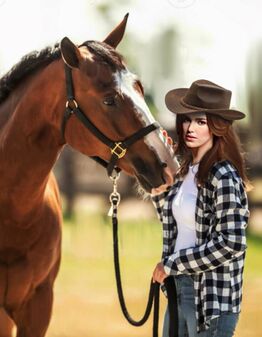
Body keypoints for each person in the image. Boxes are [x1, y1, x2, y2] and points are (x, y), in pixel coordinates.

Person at [151, 79, 250, 337]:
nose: (190, 128)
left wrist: (174, 263)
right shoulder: (186, 172)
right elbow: (176, 223)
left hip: (212, 299)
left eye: (201, 122)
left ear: (217, 127)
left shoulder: (223, 175)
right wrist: (157, 190)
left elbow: (231, 243)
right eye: (187, 119)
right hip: (180, 288)